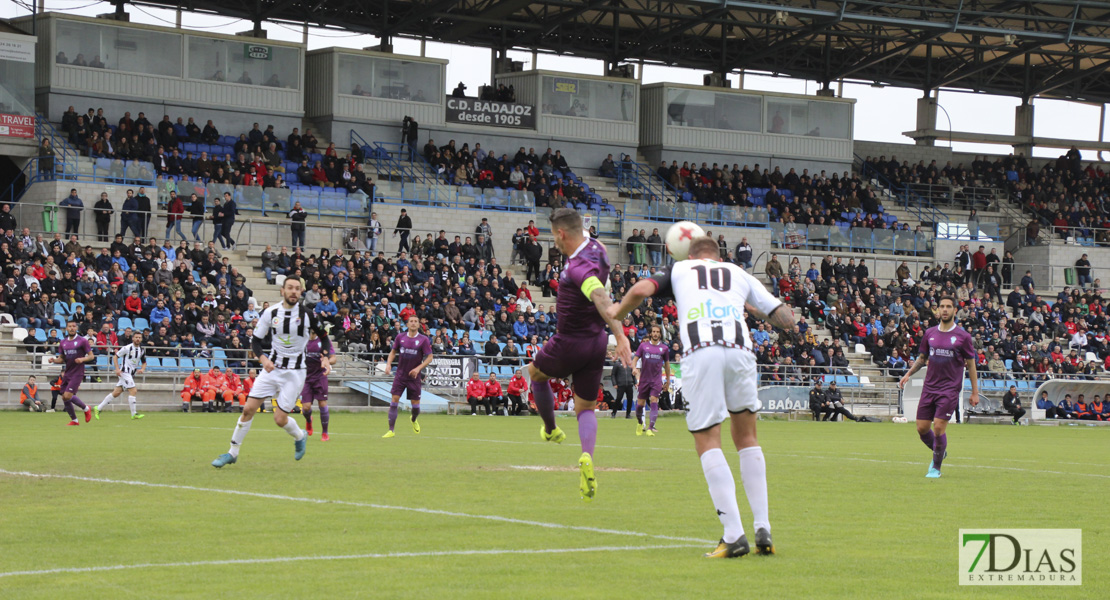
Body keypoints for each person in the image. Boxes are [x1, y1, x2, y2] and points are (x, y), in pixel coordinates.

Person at [609, 236, 792, 557]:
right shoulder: (737, 273)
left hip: (702, 352)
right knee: (748, 438)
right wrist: (752, 309)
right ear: (718, 258)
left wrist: (616, 313)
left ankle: (734, 534)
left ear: (691, 255)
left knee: (708, 440)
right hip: (740, 352)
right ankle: (763, 528)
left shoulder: (680, 268)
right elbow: (784, 318)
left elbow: (639, 290)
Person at [527, 208, 632, 502]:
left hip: (570, 342)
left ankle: (550, 429)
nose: (554, 243)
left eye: (554, 237)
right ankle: (586, 455)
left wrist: (621, 334)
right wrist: (614, 337)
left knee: (535, 374)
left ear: (562, 234)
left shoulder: (577, 268)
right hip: (597, 343)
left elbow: (599, 296)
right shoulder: (597, 248)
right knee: (585, 407)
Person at [211, 278, 332, 468]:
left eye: (297, 289)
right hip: (272, 369)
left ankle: (300, 436)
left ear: (301, 292)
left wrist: (325, 357)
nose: (293, 291)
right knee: (248, 409)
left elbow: (325, 339)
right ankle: (232, 453)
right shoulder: (271, 312)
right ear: (282, 290)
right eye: (290, 288)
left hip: (295, 373)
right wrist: (263, 360)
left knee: (279, 419)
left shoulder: (308, 315)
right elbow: (256, 342)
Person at [898, 296, 979, 479]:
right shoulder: (930, 333)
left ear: (954, 310)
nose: (944, 309)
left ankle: (936, 467)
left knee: (939, 427)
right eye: (941, 306)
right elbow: (922, 358)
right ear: (937, 310)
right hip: (930, 387)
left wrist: (974, 392)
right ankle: (939, 450)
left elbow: (971, 364)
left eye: (948, 307)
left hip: (949, 389)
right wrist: (908, 374)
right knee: (921, 428)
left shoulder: (963, 337)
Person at [382, 315, 433, 437]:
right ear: (407, 324)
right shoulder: (400, 337)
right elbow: (393, 352)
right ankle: (391, 430)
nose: (414, 323)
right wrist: (388, 364)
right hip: (400, 375)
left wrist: (418, 368)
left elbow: (430, 357)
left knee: (415, 406)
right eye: (411, 321)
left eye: (416, 321)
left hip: (414, 378)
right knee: (394, 400)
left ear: (419, 324)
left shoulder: (423, 339)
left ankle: (414, 419)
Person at [93, 332, 146, 420]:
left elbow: (144, 362)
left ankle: (98, 408)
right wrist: (117, 369)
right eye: (136, 337)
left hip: (131, 373)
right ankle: (134, 414)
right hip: (124, 372)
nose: (138, 339)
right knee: (133, 391)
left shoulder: (142, 350)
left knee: (117, 392)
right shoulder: (127, 348)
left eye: (139, 337)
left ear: (141, 339)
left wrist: (142, 369)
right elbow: (115, 357)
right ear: (133, 338)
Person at [49, 321, 94, 425]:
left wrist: (82, 359)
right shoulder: (63, 342)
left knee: (68, 395)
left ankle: (86, 408)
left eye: (74, 326)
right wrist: (54, 360)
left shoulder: (82, 341)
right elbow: (61, 359)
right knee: (64, 396)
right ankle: (75, 420)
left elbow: (91, 356)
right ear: (66, 328)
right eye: (70, 326)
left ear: (76, 328)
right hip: (67, 372)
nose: (72, 328)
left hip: (77, 373)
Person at [633, 324, 671, 436]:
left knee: (654, 400)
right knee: (640, 404)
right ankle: (640, 423)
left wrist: (667, 381)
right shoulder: (643, 346)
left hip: (656, 380)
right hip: (644, 380)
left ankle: (650, 428)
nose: (655, 334)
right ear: (650, 333)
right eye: (653, 331)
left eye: (657, 332)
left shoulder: (664, 348)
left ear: (660, 334)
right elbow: (635, 359)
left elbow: (667, 366)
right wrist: (634, 368)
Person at [301, 330, 337, 441]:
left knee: (322, 403)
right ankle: (308, 420)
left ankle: (325, 433)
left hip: (320, 376)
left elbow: (334, 358)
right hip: (305, 377)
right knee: (306, 407)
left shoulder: (323, 341)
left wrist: (327, 361)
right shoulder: (302, 340)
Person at [609, 353, 636, 418]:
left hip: (629, 384)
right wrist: (614, 383)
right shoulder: (617, 364)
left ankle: (628, 414)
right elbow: (613, 375)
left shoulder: (630, 365)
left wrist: (635, 383)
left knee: (630, 399)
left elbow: (633, 374)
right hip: (620, 385)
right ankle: (613, 413)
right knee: (618, 399)